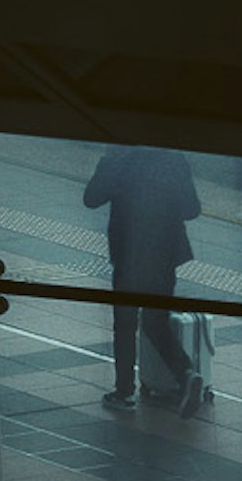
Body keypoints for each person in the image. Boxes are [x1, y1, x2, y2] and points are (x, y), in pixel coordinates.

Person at [87, 144, 204, 413]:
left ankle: (124, 392)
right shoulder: (174, 157)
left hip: (131, 254)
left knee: (125, 323)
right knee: (155, 321)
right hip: (165, 254)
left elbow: (91, 198)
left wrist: (109, 162)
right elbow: (191, 209)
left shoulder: (121, 159)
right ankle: (187, 374)